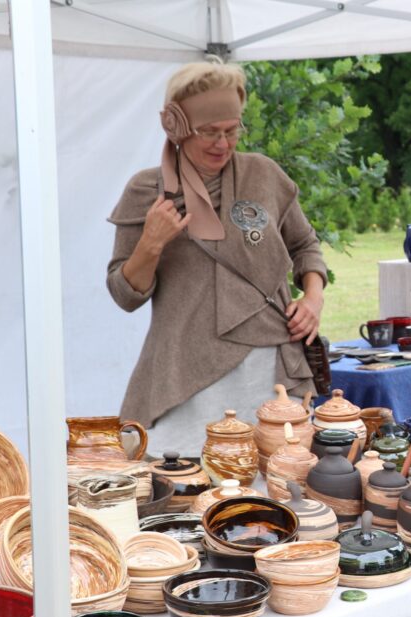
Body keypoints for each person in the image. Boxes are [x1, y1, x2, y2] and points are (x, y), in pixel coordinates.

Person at [107, 60, 327, 455]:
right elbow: (125, 295)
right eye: (209, 132)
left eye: (232, 130)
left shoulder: (264, 176)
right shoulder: (146, 191)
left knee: (273, 483)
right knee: (190, 492)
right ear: (176, 127)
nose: (222, 144)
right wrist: (151, 243)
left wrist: (313, 297)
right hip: (186, 377)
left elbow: (305, 246)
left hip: (270, 371)